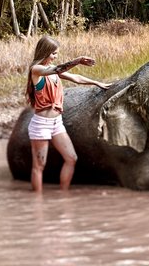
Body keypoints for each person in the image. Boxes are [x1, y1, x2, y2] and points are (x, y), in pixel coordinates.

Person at [25, 35, 111, 192]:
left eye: (56, 54)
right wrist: (77, 60)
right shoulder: (36, 70)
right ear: (44, 52)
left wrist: (96, 82)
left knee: (71, 158)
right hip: (41, 124)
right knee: (39, 165)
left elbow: (75, 78)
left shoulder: (52, 71)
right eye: (53, 53)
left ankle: (63, 196)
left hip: (57, 123)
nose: (55, 57)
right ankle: (36, 205)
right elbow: (59, 69)